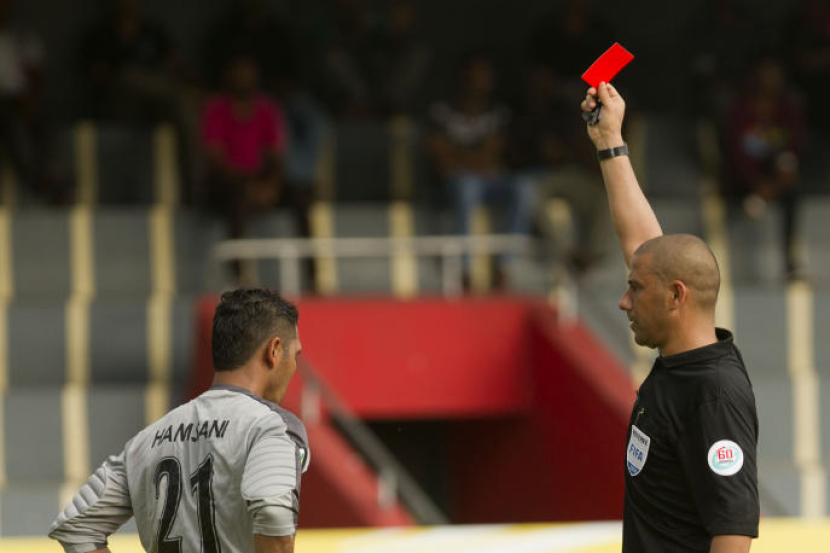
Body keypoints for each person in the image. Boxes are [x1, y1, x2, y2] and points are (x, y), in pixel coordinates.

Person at [581, 83, 759, 552]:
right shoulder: (686, 362)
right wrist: (609, 142)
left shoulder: (713, 394)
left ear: (676, 296)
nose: (624, 302)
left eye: (635, 289)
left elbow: (733, 531)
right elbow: (646, 249)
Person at [48, 288, 309, 553]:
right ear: (274, 350)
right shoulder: (272, 426)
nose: (294, 366)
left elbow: (77, 525)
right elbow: (273, 511)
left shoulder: (147, 439)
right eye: (295, 355)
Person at [427, 52, 534, 290]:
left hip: (491, 181)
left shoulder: (497, 112)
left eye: (485, 76)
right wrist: (471, 159)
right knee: (467, 186)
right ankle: (465, 269)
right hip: (452, 185)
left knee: (525, 187)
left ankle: (505, 264)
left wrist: (458, 155)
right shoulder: (442, 111)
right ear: (462, 78)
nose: (479, 81)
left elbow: (491, 155)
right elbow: (441, 160)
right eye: (475, 76)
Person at [723, 56, 805, 278]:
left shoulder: (786, 109)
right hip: (743, 179)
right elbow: (735, 154)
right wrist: (756, 184)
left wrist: (770, 186)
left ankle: (791, 262)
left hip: (776, 179)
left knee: (791, 185)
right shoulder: (741, 109)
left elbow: (794, 145)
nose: (771, 80)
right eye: (766, 74)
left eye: (775, 75)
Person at [201, 50, 287, 239]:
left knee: (300, 194)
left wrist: (272, 186)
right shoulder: (216, 108)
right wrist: (249, 187)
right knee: (237, 195)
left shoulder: (266, 108)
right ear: (229, 76)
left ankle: (311, 257)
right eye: (239, 73)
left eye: (248, 73)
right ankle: (238, 256)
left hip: (259, 181)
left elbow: (276, 155)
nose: (243, 78)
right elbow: (215, 159)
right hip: (225, 183)